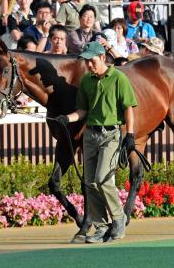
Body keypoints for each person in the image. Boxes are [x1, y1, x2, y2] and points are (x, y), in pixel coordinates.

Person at [55, 41, 137, 243]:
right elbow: (82, 111)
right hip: (90, 135)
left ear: (102, 57)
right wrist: (68, 118)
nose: (89, 65)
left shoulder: (119, 78)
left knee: (102, 178)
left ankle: (118, 218)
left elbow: (128, 108)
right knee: (89, 182)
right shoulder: (86, 81)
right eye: (87, 62)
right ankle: (100, 227)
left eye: (92, 61)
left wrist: (131, 135)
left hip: (111, 134)